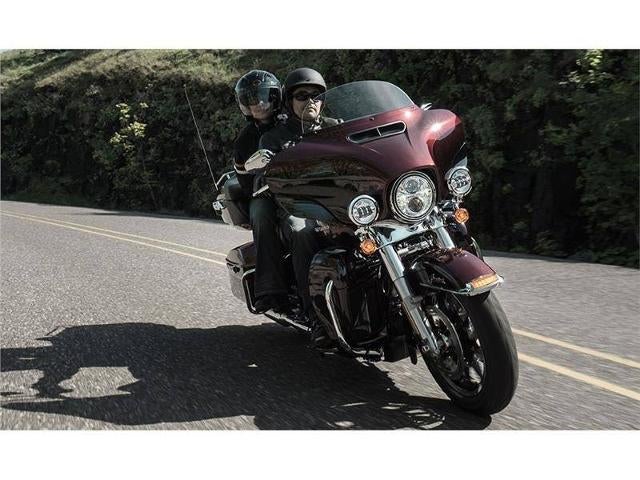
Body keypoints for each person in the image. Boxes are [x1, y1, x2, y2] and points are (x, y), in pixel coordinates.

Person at [260, 68, 337, 348]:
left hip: (340, 202)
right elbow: (265, 176)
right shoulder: (274, 138)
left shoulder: (336, 127)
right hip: (298, 206)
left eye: (317, 95)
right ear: (289, 101)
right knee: (301, 231)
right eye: (302, 95)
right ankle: (315, 316)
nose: (310, 101)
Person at [233, 70, 288, 313]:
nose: (259, 103)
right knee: (262, 215)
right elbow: (245, 183)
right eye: (251, 98)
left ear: (276, 96)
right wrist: (261, 185)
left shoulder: (292, 122)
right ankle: (269, 289)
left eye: (265, 95)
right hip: (264, 194)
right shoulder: (245, 139)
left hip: (299, 187)